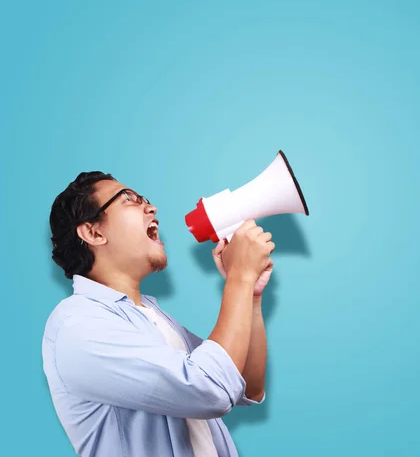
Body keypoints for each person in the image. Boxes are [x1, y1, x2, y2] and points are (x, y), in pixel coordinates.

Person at [42, 171, 275, 457]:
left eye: (146, 200)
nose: (151, 208)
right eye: (130, 201)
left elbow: (246, 385)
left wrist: (250, 294)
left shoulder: (150, 314)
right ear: (93, 232)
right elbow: (212, 388)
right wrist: (240, 276)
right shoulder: (76, 325)